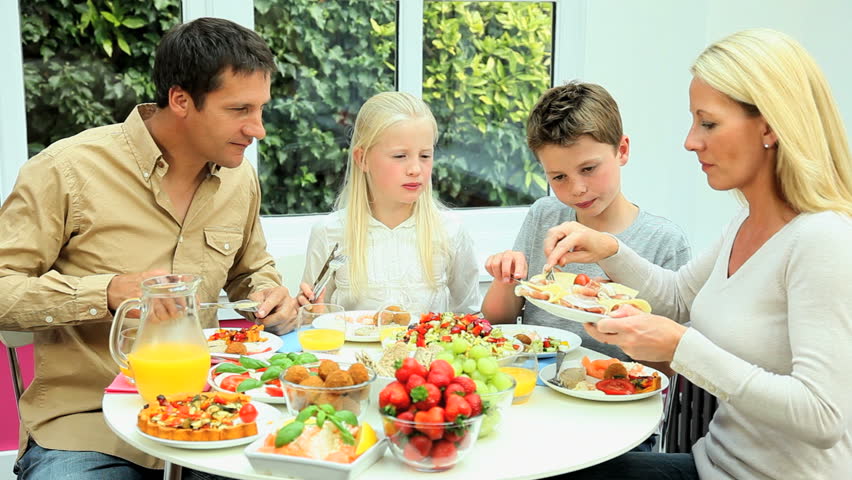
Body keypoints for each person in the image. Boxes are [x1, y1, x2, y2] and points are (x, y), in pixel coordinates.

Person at [545, 29, 852, 479]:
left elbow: (823, 418)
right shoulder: (745, 223)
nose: (691, 141)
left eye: (707, 123)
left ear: (769, 126)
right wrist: (610, 249)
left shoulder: (823, 239)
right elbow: (676, 297)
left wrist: (682, 346)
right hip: (715, 464)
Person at [1, 17, 299, 479]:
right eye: (239, 109)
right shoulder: (66, 170)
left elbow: (251, 269)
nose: (257, 129)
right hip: (90, 429)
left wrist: (269, 293)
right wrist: (108, 293)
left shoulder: (239, 179)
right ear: (181, 100)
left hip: (211, 415)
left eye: (261, 109)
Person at [481, 81, 691, 361]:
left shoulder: (664, 241)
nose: (577, 188)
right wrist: (504, 278)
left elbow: (675, 361)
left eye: (589, 169)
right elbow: (498, 320)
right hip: (540, 383)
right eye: (558, 177)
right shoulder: (544, 215)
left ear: (622, 150)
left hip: (618, 394)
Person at [297, 92, 481, 315]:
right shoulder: (329, 233)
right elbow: (312, 320)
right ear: (362, 159)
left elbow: (470, 316)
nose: (415, 169)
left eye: (425, 156)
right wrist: (311, 313)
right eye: (399, 156)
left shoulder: (451, 231)